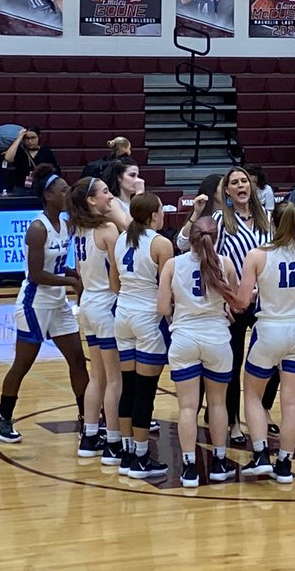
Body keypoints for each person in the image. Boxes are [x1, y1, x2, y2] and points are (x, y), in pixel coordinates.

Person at [177, 166, 275, 445]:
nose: (241, 185)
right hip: (231, 301)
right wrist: (195, 215)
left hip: (263, 301)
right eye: (234, 182)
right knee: (230, 364)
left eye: (244, 181)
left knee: (273, 361)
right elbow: (183, 243)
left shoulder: (269, 219)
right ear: (227, 192)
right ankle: (232, 422)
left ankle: (263, 409)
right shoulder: (219, 219)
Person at [0, 175, 89, 443]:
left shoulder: (65, 224)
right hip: (34, 303)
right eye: (63, 190)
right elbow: (36, 274)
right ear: (48, 196)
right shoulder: (38, 227)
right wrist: (71, 280)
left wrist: (71, 273)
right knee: (23, 364)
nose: (67, 193)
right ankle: (2, 418)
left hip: (57, 303)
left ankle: (88, 419)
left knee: (78, 360)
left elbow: (57, 266)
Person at [236, 202, 295, 482]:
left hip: (270, 330)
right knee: (290, 402)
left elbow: (241, 302)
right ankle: (285, 464)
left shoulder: (257, 255)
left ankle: (261, 454)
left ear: (272, 223)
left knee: (252, 394)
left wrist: (249, 293)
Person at [158, 218, 243, 488]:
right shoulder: (225, 263)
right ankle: (218, 462)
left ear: (190, 238)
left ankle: (189, 467)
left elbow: (162, 308)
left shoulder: (173, 264)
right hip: (217, 338)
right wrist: (225, 310)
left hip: (184, 338)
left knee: (187, 407)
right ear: (215, 238)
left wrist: (180, 316)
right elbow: (238, 304)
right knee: (217, 404)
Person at [110, 192, 175, 478]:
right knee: (145, 391)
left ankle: (126, 452)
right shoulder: (161, 244)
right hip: (148, 318)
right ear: (152, 215)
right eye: (161, 210)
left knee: (129, 385)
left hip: (123, 314)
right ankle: (140, 456)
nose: (164, 215)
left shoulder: (121, 239)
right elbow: (167, 289)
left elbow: (114, 284)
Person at [69, 176, 126, 464]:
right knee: (114, 379)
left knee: (97, 377)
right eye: (105, 192)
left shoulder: (78, 229)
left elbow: (79, 270)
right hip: (105, 304)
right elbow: (118, 275)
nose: (110, 196)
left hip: (88, 303)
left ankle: (90, 436)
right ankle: (114, 440)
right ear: (91, 200)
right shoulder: (108, 229)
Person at [3, 127, 61, 196]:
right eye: (27, 138)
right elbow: (8, 158)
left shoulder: (46, 152)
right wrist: (19, 138)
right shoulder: (19, 152)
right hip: (21, 188)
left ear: (39, 137)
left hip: (41, 188)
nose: (30, 141)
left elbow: (55, 170)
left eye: (33, 138)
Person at [103, 158, 144, 229]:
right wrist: (139, 194)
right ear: (119, 177)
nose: (137, 180)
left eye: (137, 176)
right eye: (132, 175)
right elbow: (128, 227)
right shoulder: (112, 202)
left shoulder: (132, 201)